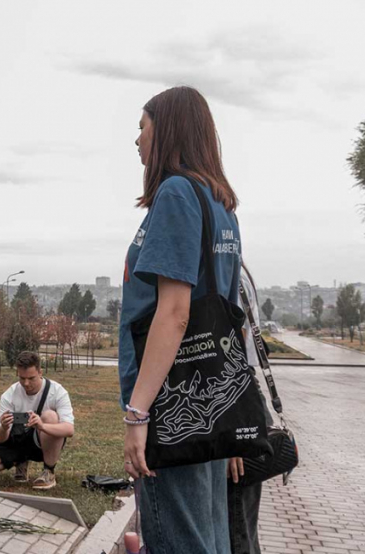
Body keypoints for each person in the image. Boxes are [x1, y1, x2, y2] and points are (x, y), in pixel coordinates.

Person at [118, 86, 242, 554]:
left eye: (142, 127)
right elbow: (231, 313)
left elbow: (173, 312)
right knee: (206, 538)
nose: (136, 141)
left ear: (165, 129)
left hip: (172, 404)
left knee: (177, 541)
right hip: (209, 398)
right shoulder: (219, 202)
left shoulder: (175, 193)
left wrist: (138, 412)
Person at [0, 351, 74, 490]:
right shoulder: (9, 395)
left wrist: (42, 426)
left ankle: (49, 471)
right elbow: (1, 438)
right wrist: (3, 427)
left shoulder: (57, 391)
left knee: (50, 416)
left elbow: (69, 430)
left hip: (41, 442)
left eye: (31, 378)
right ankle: (19, 461)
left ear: (40, 372)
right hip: (17, 439)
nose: (26, 383)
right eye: (22, 378)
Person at [227, 263, 274, 554]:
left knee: (237, 525)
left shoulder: (231, 275)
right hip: (246, 397)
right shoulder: (239, 272)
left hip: (238, 400)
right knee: (242, 523)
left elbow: (230, 352)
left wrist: (233, 433)